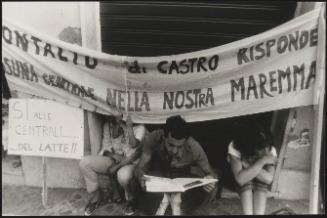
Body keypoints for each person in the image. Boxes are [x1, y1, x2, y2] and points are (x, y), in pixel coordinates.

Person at [130, 115, 217, 215]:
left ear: (186, 141)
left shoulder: (194, 146)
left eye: (179, 146)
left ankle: (175, 203)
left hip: (181, 176)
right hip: (159, 173)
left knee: (209, 190)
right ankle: (164, 201)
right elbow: (139, 167)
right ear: (164, 137)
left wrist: (209, 180)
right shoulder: (154, 137)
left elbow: (211, 173)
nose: (174, 151)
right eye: (171, 145)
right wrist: (141, 176)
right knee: (133, 183)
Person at [79, 114, 146, 216]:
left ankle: (131, 200)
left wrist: (129, 127)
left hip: (130, 162)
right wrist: (113, 155)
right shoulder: (109, 125)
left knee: (122, 175)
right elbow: (106, 148)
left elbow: (134, 145)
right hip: (113, 159)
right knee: (84, 162)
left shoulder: (140, 127)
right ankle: (95, 197)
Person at [227, 123, 277, 215]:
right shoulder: (235, 146)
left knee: (261, 181)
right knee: (246, 180)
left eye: (267, 146)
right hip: (235, 180)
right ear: (250, 146)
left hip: (257, 180)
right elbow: (240, 179)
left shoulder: (271, 150)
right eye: (261, 148)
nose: (266, 151)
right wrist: (262, 162)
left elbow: (268, 179)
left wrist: (249, 164)